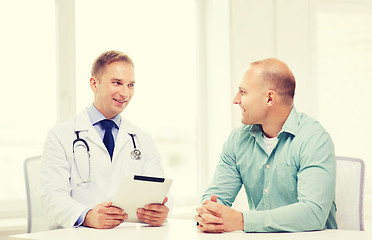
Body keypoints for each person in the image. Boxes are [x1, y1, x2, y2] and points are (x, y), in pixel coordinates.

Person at [195, 58, 337, 233]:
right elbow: (215, 200)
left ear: (269, 98)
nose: (235, 99)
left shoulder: (314, 139)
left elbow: (313, 214)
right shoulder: (237, 140)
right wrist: (209, 214)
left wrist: (243, 221)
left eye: (243, 92)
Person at [39, 50, 171, 229]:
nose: (125, 93)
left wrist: (160, 212)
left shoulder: (142, 139)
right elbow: (51, 197)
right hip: (78, 234)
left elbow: (160, 193)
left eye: (130, 85)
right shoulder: (60, 136)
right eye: (117, 83)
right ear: (94, 84)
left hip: (128, 234)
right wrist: (87, 216)